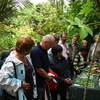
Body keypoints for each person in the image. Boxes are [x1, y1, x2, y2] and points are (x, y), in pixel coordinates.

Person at [0, 35, 37, 100]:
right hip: (17, 96)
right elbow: (3, 80)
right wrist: (20, 84)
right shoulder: (11, 62)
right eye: (31, 47)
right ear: (25, 49)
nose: (32, 49)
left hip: (29, 94)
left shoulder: (27, 57)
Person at [30, 34, 55, 100]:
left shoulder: (44, 50)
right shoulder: (36, 51)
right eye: (51, 45)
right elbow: (38, 69)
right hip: (37, 83)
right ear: (45, 42)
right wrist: (48, 77)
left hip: (43, 81)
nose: (51, 47)